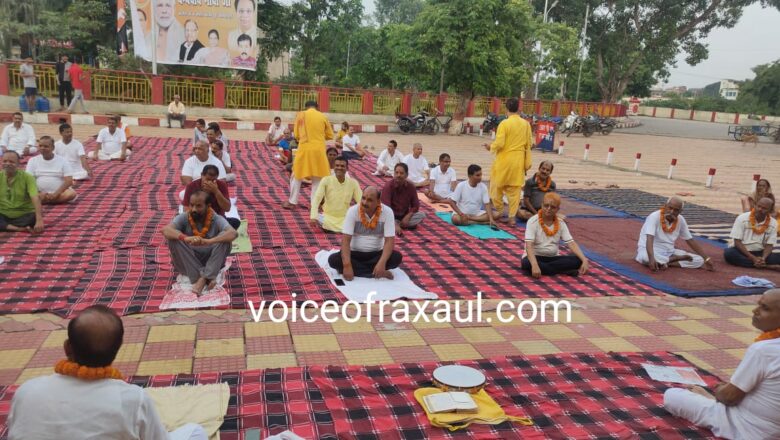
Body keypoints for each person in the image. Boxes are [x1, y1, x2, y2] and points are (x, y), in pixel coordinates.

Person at [7, 305, 208, 440]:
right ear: (118, 348)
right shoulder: (132, 399)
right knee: (196, 432)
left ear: (68, 348)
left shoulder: (28, 391)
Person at [664, 288, 780, 440]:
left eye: (765, 308)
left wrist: (717, 390)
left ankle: (710, 401)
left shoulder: (763, 350)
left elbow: (730, 398)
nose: (755, 311)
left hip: (749, 428)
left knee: (672, 396)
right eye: (758, 305)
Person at [162, 190, 237, 295]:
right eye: (191, 205)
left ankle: (203, 278)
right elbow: (165, 230)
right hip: (189, 260)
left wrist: (209, 241)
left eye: (199, 206)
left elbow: (233, 233)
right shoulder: (184, 216)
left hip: (211, 259)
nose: (194, 209)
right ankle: (207, 277)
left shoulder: (216, 218)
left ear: (208, 206)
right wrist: (186, 238)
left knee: (224, 238)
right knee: (174, 237)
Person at [327, 186, 402, 279]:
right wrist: (347, 265)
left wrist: (382, 263)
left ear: (378, 202)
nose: (365, 202)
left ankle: (366, 271)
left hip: (376, 254)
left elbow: (389, 241)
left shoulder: (387, 212)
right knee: (333, 260)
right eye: (363, 198)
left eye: (370, 200)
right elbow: (346, 241)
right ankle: (374, 272)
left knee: (396, 258)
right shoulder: (353, 211)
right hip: (354, 254)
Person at [483, 97, 532, 223]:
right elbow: (529, 143)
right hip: (518, 161)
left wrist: (490, 147)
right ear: (519, 109)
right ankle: (511, 218)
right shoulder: (526, 124)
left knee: (496, 186)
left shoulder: (504, 123)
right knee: (515, 190)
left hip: (504, 160)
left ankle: (499, 211)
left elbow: (499, 143)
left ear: (507, 109)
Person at [636, 196, 714, 271]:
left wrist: (706, 258)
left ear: (680, 211)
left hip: (669, 252)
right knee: (645, 257)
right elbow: (649, 239)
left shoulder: (681, 220)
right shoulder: (654, 217)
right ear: (665, 206)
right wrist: (651, 258)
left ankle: (665, 263)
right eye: (670, 208)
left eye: (676, 210)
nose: (672, 212)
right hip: (650, 250)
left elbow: (690, 240)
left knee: (699, 260)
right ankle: (672, 260)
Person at [522, 192, 589, 278]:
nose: (548, 209)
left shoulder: (561, 223)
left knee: (578, 260)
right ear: (541, 205)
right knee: (526, 263)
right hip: (535, 257)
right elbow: (529, 246)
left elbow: (571, 243)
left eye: (553, 207)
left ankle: (549, 270)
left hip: (553, 258)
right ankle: (562, 270)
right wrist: (534, 265)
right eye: (546, 205)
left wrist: (584, 260)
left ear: (557, 209)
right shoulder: (532, 221)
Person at [282, 101, 333, 209]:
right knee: (317, 178)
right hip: (319, 150)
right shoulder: (323, 116)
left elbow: (296, 135)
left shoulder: (301, 115)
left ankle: (292, 202)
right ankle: (314, 205)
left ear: (306, 107)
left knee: (296, 175)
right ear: (317, 107)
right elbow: (330, 135)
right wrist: (318, 137)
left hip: (304, 149)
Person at [724, 196, 780, 271]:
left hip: (760, 253)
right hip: (741, 251)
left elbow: (769, 245)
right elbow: (737, 241)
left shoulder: (773, 223)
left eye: (764, 208)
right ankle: (767, 266)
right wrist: (752, 258)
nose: (760, 209)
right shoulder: (742, 218)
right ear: (755, 205)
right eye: (759, 206)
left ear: (770, 210)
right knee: (729, 254)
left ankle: (760, 263)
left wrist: (763, 258)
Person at [310, 155, 361, 233]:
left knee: (358, 221)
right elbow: (316, 199)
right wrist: (313, 216)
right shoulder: (326, 180)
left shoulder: (353, 183)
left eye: (342, 166)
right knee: (318, 217)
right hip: (327, 217)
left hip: (344, 218)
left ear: (347, 168)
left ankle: (332, 229)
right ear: (334, 167)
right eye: (337, 165)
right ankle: (340, 229)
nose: (339, 168)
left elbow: (361, 201)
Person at [182, 165, 240, 229]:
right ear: (202, 175)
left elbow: (227, 208)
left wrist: (216, 191)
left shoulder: (221, 185)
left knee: (235, 222)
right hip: (197, 217)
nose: (210, 183)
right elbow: (186, 209)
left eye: (213, 180)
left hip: (216, 219)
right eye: (207, 179)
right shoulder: (191, 186)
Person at [0, 151, 44, 233]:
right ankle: (18, 229)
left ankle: (7, 226)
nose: (7, 164)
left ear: (18, 164)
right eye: (5, 161)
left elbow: (35, 197)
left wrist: (39, 219)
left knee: (34, 217)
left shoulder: (28, 177)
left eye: (11, 162)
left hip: (23, 214)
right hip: (3, 214)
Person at [26, 136, 76, 205]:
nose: (42, 148)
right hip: (39, 193)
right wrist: (38, 192)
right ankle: (49, 200)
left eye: (46, 146)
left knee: (71, 194)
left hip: (59, 193)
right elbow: (29, 180)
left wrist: (56, 194)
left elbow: (69, 181)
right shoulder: (32, 160)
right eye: (40, 146)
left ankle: (43, 201)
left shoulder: (63, 160)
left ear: (53, 148)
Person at [381, 163, 426, 236]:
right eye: (396, 173)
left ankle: (399, 225)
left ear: (406, 175)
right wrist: (394, 224)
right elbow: (386, 209)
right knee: (381, 216)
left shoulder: (411, 187)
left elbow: (415, 205)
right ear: (394, 174)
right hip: (390, 216)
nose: (398, 175)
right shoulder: (388, 186)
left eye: (401, 173)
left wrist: (408, 216)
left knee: (422, 215)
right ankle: (397, 225)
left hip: (403, 216)